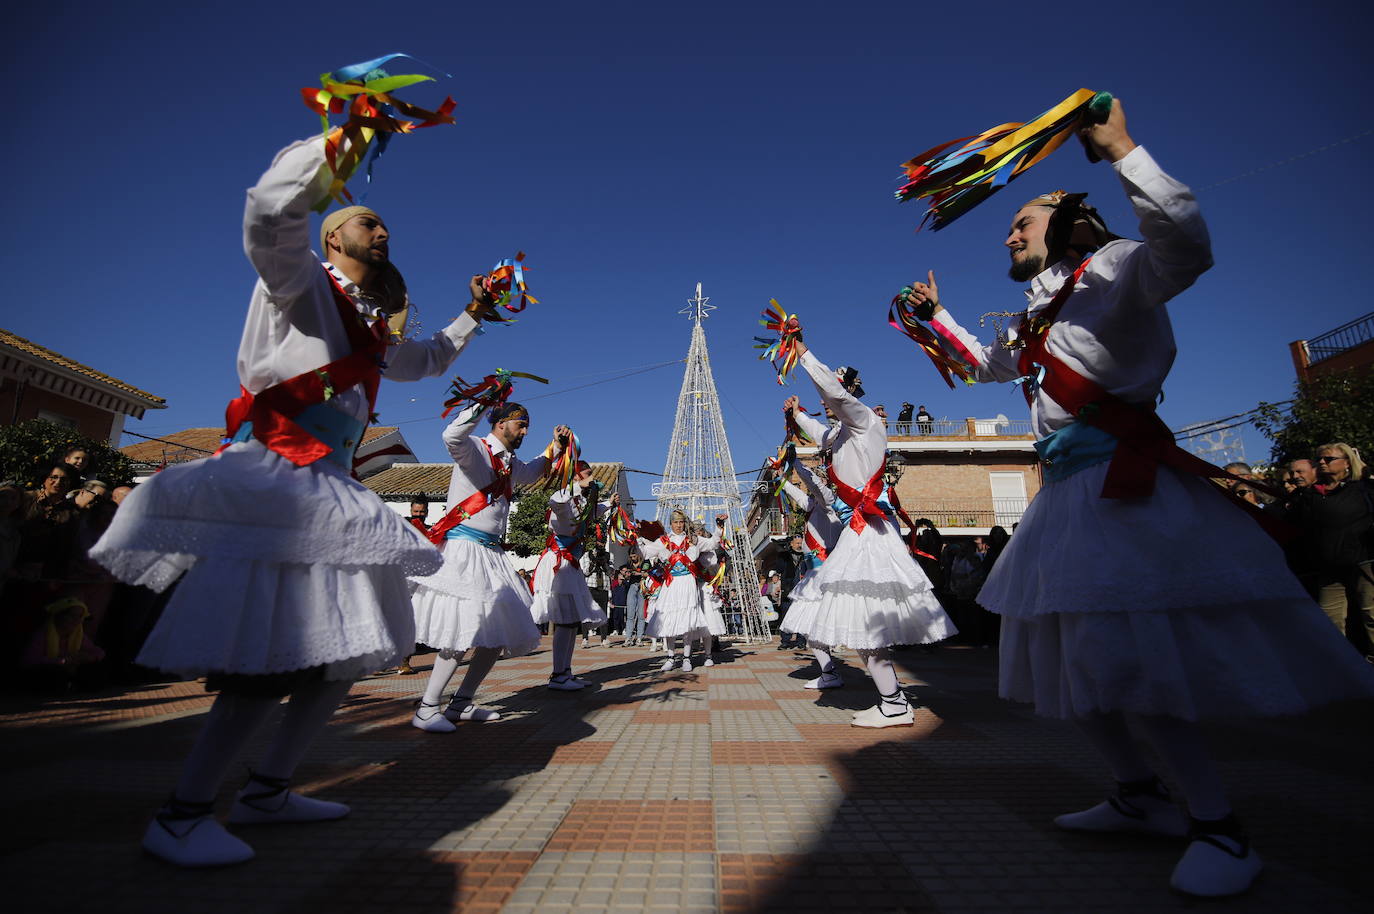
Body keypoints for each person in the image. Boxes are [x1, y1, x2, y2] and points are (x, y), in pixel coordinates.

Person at [898, 97, 1374, 896]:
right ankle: (1139, 796)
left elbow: (1185, 245)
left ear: (1070, 221)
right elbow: (989, 367)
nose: (1007, 232)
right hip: (1071, 501)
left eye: (1022, 218)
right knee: (1079, 665)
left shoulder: (1116, 269)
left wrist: (1123, 152)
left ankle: (1222, 830)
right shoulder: (1039, 310)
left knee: (1135, 667)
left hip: (1128, 492)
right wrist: (931, 319)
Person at [88, 131, 499, 867]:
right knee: (262, 661)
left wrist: (473, 315)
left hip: (333, 492)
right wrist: (337, 139)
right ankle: (181, 815)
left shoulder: (371, 332)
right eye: (370, 222)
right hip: (280, 479)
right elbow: (270, 212)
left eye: (386, 228)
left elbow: (425, 360)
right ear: (333, 232)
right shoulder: (295, 278)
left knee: (336, 659)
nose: (384, 233)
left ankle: (268, 790)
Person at [777, 343, 955, 726]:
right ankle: (892, 700)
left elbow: (835, 396)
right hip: (860, 532)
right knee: (861, 622)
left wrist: (804, 354)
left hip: (869, 531)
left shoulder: (864, 422)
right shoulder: (842, 433)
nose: (826, 402)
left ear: (851, 392)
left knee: (866, 620)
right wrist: (797, 415)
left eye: (835, 393)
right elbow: (820, 432)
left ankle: (893, 703)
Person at [409, 403, 561, 729]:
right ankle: (427, 707)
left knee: (497, 635)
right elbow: (451, 436)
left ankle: (461, 702)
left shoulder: (509, 461)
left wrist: (555, 448)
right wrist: (482, 401)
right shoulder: (475, 448)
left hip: (491, 555)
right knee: (460, 632)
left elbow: (533, 472)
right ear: (501, 423)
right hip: (465, 550)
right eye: (521, 424)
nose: (525, 431)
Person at [1281, 443, 1373, 658]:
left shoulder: (1362, 489)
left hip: (1363, 563)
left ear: (1347, 463)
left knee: (1371, 616)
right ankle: (1344, 668)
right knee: (1329, 622)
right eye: (1319, 460)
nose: (1322, 462)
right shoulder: (1310, 496)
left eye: (1329, 459)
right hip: (1328, 569)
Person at [530, 461, 614, 687]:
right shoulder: (563, 500)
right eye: (586, 475)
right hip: (559, 563)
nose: (591, 479)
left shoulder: (582, 502)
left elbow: (592, 511)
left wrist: (608, 503)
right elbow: (556, 501)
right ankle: (559, 675)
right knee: (565, 622)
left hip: (571, 563)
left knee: (571, 622)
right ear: (575, 477)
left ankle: (564, 672)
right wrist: (576, 485)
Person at [775, 449, 845, 669]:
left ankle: (831, 666)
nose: (812, 487)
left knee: (823, 621)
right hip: (812, 571)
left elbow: (812, 483)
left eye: (818, 481)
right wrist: (779, 476)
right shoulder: (813, 504)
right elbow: (797, 494)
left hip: (825, 569)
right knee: (810, 624)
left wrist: (795, 462)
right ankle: (828, 670)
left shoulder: (828, 502)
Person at [636, 509, 721, 672]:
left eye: (681, 522)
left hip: (688, 582)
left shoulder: (693, 539)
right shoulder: (664, 540)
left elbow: (712, 544)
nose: (678, 525)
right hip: (671, 583)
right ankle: (670, 657)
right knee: (668, 618)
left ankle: (687, 658)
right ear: (671, 523)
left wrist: (719, 527)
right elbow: (646, 552)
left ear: (685, 523)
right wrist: (637, 539)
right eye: (675, 522)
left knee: (687, 620)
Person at [622, 559, 648, 647]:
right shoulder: (629, 563)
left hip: (642, 587)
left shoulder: (645, 562)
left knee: (641, 614)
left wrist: (639, 574)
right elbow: (625, 576)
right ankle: (628, 638)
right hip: (632, 587)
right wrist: (626, 575)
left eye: (634, 556)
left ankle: (639, 637)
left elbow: (648, 574)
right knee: (630, 614)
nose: (633, 558)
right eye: (631, 556)